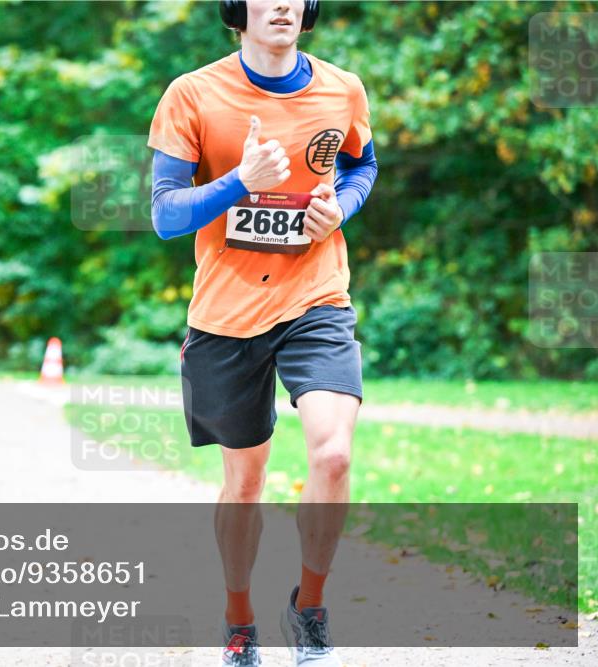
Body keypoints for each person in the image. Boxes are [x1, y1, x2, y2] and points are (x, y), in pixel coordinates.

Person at [147, 1, 378, 665]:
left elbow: (362, 167)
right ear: (234, 8)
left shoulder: (343, 88)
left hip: (317, 297)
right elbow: (164, 215)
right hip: (227, 315)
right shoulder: (192, 94)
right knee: (244, 484)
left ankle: (309, 608)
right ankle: (239, 616)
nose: (279, 3)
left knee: (333, 454)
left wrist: (342, 209)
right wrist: (241, 181)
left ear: (308, 9)